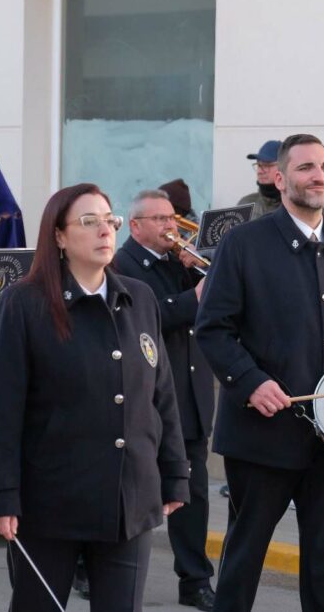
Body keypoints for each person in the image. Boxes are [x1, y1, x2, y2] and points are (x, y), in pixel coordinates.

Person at [196, 133, 324, 612]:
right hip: (262, 434)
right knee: (244, 557)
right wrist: (251, 382)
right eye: (305, 167)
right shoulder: (243, 244)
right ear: (280, 179)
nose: (318, 176)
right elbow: (213, 329)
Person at [0, 183, 190, 612]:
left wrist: (174, 475)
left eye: (109, 221)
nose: (104, 231)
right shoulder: (24, 303)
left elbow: (161, 396)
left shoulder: (139, 297)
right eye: (88, 222)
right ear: (59, 235)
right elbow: (0, 408)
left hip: (129, 499)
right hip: (50, 502)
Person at [114, 188, 216, 611]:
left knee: (193, 493)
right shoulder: (120, 266)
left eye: (172, 218)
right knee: (123, 486)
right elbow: (149, 316)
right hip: (144, 397)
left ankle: (195, 580)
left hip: (188, 394)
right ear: (135, 226)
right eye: (159, 219)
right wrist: (195, 295)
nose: (170, 227)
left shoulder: (181, 263)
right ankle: (87, 565)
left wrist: (200, 272)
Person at [237, 140, 282, 219]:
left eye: (267, 165)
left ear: (283, 167)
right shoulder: (245, 204)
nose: (260, 171)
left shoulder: (294, 207)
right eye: (258, 165)